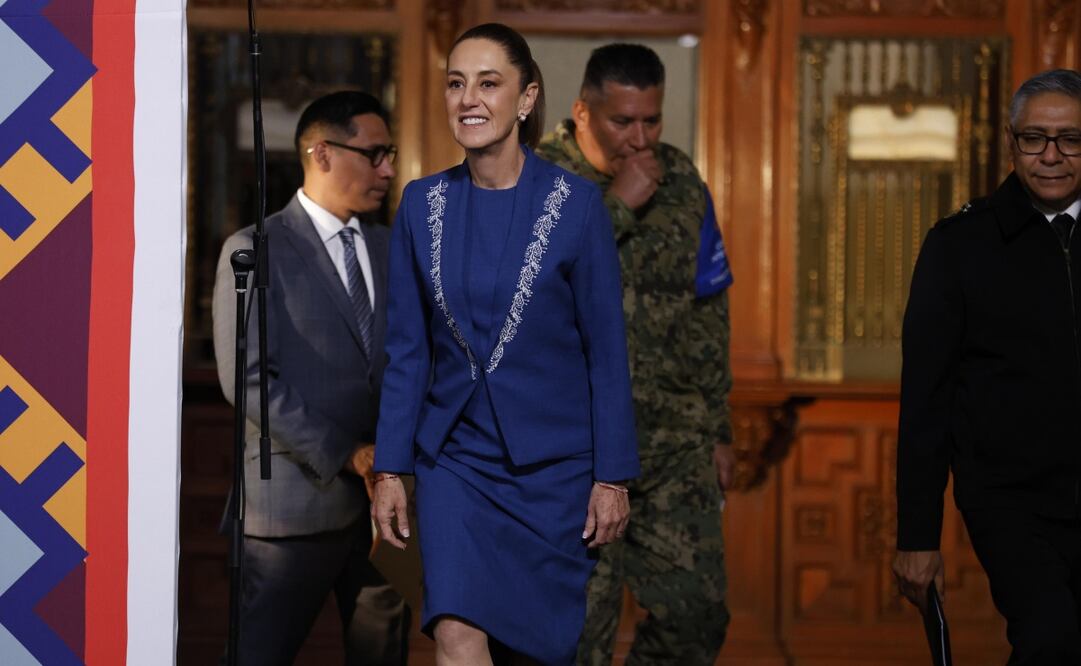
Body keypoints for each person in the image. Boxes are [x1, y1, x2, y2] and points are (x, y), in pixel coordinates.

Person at [370, 23, 640, 666]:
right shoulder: (420, 203)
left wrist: (614, 477)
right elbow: (408, 350)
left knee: (536, 652)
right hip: (455, 462)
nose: (470, 98)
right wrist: (390, 467)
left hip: (554, 471)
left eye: (489, 83)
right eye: (457, 83)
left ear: (525, 99)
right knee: (457, 633)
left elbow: (607, 351)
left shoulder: (576, 205)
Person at [536, 43, 735, 666]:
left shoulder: (681, 179)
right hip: (575, 452)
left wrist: (719, 429)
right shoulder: (535, 179)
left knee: (696, 618)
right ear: (583, 112)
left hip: (674, 446)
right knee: (575, 638)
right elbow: (527, 295)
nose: (640, 137)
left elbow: (709, 314)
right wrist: (614, 206)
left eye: (652, 119)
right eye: (624, 121)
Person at [212, 90, 408, 665]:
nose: (388, 169)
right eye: (374, 154)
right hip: (290, 512)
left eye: (390, 153)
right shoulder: (252, 251)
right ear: (321, 153)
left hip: (385, 513)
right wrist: (349, 453)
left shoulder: (392, 248)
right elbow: (246, 381)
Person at [894, 68, 1081, 665]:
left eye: (1070, 139)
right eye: (1035, 138)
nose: (1051, 155)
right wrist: (917, 537)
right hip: (1010, 500)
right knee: (1049, 639)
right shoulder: (959, 246)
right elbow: (926, 400)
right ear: (1011, 144)